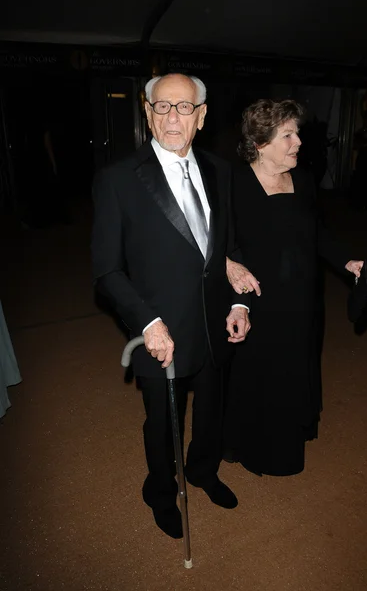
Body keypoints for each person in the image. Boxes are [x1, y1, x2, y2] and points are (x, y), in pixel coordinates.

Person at [91, 73, 251, 539]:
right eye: (162, 107)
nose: (172, 117)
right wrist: (149, 322)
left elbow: (229, 247)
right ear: (147, 113)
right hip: (160, 330)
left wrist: (239, 301)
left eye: (184, 108)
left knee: (210, 410)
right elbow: (106, 271)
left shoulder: (221, 171)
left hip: (214, 321)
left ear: (201, 117)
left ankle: (202, 470)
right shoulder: (118, 179)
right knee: (163, 423)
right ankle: (161, 489)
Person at [223, 99, 363, 477]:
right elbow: (220, 242)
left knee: (293, 370)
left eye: (296, 132)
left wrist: (347, 260)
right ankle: (249, 445)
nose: (298, 141)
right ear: (260, 142)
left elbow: (317, 233)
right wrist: (230, 276)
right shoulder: (234, 183)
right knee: (257, 373)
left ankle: (285, 447)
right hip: (258, 300)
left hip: (302, 298)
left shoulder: (302, 178)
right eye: (287, 135)